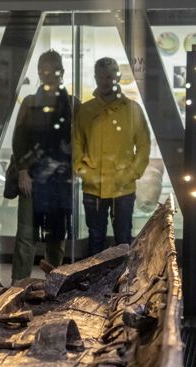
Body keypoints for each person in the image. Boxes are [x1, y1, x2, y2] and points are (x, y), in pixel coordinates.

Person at [10, 50, 79, 281]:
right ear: (39, 72)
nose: (49, 75)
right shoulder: (30, 103)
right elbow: (19, 140)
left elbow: (80, 139)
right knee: (26, 234)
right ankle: (18, 286)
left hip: (60, 179)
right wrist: (22, 171)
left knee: (56, 235)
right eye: (44, 71)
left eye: (54, 70)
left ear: (62, 72)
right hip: (33, 177)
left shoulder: (72, 104)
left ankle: (54, 284)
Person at [73, 57, 150, 257]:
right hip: (93, 187)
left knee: (123, 238)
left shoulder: (132, 109)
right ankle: (91, 284)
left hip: (123, 187)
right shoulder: (85, 110)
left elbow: (143, 146)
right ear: (96, 77)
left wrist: (131, 174)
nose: (106, 80)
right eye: (102, 75)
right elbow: (76, 145)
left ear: (118, 76)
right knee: (95, 238)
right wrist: (85, 173)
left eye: (110, 75)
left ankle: (124, 284)